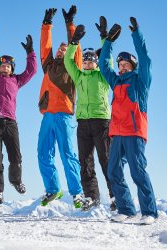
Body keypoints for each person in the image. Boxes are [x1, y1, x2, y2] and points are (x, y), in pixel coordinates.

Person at [99, 17, 158, 224]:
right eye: (120, 64)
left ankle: (149, 212)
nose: (121, 67)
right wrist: (108, 42)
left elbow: (146, 60)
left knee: (137, 171)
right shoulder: (115, 81)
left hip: (134, 133)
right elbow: (103, 65)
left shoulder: (141, 82)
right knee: (113, 171)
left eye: (125, 64)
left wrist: (137, 34)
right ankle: (126, 210)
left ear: (132, 66)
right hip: (117, 133)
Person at [0, 21, 37, 205]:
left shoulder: (17, 81)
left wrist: (30, 52)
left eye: (8, 65)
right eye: (2, 64)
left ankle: (16, 181)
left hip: (10, 122)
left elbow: (32, 70)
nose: (5, 67)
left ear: (12, 68)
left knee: (16, 157)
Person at [64, 16, 114, 211]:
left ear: (96, 62)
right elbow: (69, 61)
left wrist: (104, 36)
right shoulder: (78, 76)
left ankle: (115, 195)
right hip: (83, 122)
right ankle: (91, 196)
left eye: (91, 60)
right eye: (85, 60)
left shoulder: (102, 76)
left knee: (106, 159)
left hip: (101, 120)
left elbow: (108, 59)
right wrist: (74, 42)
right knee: (84, 161)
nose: (87, 63)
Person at [38, 5, 84, 208]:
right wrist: (47, 24)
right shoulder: (48, 65)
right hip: (47, 115)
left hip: (64, 115)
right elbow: (45, 46)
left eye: (64, 50)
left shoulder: (72, 68)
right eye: (59, 49)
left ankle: (77, 193)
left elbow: (76, 49)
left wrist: (70, 24)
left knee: (68, 154)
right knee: (43, 153)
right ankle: (52, 188)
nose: (60, 51)